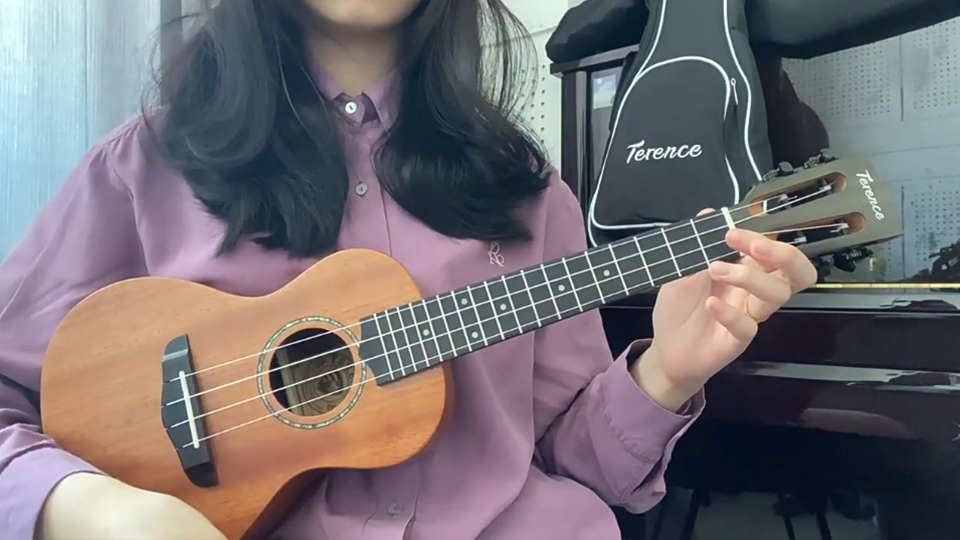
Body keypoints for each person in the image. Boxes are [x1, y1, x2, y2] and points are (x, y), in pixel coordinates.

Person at [0, 1, 816, 539]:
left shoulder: (527, 190)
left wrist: (666, 372)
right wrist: (85, 505)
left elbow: (570, 461)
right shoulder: (143, 167)